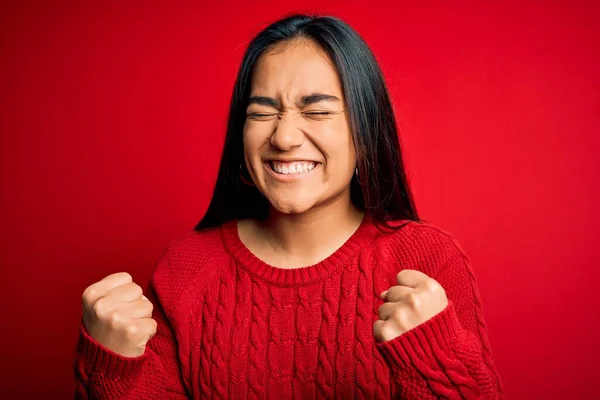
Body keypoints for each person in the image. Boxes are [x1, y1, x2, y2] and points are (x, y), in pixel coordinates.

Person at [73, 13, 503, 399]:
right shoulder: (184, 269)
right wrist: (112, 367)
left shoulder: (428, 261)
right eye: (262, 112)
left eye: (316, 111)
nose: (283, 137)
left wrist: (434, 357)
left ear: (365, 129)